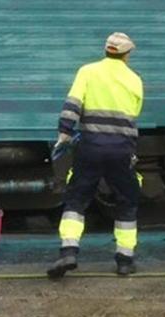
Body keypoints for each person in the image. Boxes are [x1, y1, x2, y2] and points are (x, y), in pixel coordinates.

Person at [48, 32, 144, 278]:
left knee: (76, 198)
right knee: (127, 200)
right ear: (127, 54)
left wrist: (64, 134)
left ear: (107, 50)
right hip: (121, 150)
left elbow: (72, 105)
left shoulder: (87, 71)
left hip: (90, 147)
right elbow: (133, 118)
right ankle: (125, 260)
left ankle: (68, 251)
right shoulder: (135, 80)